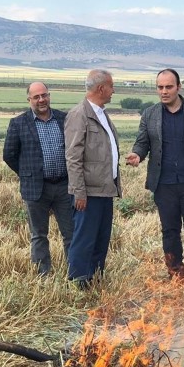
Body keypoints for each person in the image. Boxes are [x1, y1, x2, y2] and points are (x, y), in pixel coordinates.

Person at [126, 69, 184, 281]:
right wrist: (137, 155)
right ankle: (176, 273)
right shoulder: (149, 114)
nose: (164, 91)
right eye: (160, 87)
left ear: (179, 87)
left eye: (169, 87)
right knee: (169, 231)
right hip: (163, 184)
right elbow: (143, 143)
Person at [3, 82, 74, 276]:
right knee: (39, 235)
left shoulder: (64, 119)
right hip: (35, 188)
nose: (41, 100)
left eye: (44, 95)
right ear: (29, 100)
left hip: (64, 186)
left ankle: (74, 273)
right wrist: (28, 174)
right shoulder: (18, 123)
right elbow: (9, 155)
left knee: (71, 234)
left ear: (49, 96)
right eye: (36, 97)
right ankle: (43, 276)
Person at [65, 70, 121, 286]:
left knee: (100, 237)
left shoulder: (101, 113)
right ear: (101, 88)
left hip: (105, 188)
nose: (113, 90)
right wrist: (79, 192)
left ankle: (96, 278)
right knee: (85, 238)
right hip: (88, 191)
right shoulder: (79, 114)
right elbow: (73, 156)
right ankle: (80, 281)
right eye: (111, 86)